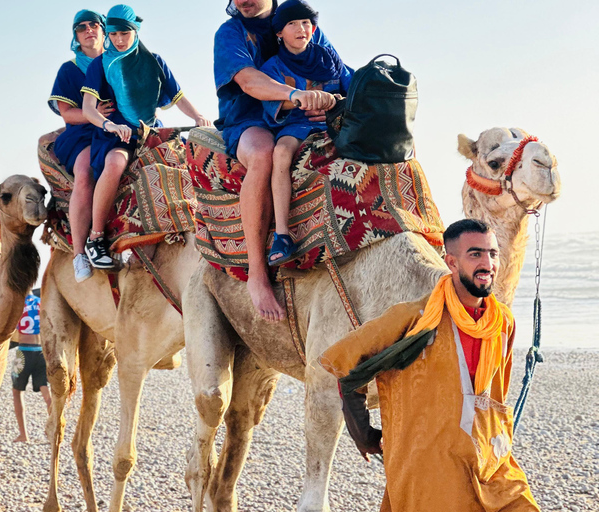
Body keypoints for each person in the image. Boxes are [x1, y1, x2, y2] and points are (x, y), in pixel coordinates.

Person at [319, 219, 539, 511]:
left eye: (492, 253)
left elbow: (494, 396)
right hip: (429, 466)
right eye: (475, 254)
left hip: (491, 461)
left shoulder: (503, 323)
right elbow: (346, 363)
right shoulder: (414, 319)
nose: (488, 263)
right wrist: (364, 434)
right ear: (451, 262)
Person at [214, 0, 338, 322]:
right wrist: (294, 95)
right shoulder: (231, 33)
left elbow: (335, 71)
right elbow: (248, 81)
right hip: (250, 118)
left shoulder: (299, 22)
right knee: (263, 155)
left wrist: (333, 101)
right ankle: (257, 272)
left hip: (301, 119)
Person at [80, 4, 211, 268]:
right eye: (113, 34)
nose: (118, 40)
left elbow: (178, 97)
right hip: (116, 132)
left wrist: (198, 118)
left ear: (136, 31)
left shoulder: (155, 61)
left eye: (124, 34)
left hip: (151, 130)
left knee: (188, 160)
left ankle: (202, 223)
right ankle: (95, 238)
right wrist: (109, 125)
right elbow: (87, 108)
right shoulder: (99, 65)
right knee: (115, 163)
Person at [260, 0, 353, 266]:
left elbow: (351, 87)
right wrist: (304, 99)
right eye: (292, 23)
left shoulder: (328, 57)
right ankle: (282, 235)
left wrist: (334, 102)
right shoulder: (273, 68)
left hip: (333, 123)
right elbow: (272, 99)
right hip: (296, 125)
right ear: (279, 32)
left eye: (306, 22)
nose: (301, 28)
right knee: (281, 153)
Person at [48, 9, 116, 282]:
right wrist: (94, 114)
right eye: (81, 27)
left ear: (103, 30)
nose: (88, 30)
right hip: (83, 134)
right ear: (76, 36)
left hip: (120, 130)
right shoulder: (69, 70)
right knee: (85, 173)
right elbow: (67, 113)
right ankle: (80, 253)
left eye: (93, 25)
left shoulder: (119, 62)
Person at [11, 292, 51, 443]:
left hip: (23, 352)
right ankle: (54, 432)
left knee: (17, 391)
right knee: (46, 392)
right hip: (41, 352)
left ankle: (23, 435)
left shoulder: (17, 304)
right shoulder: (41, 302)